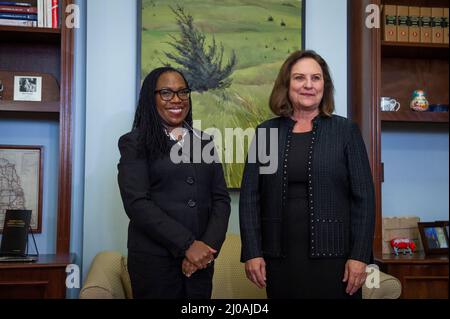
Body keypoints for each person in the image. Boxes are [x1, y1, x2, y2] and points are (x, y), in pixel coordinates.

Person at [239, 50, 375, 299]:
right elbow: (250, 198)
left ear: (325, 85)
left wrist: (359, 256)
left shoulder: (345, 131)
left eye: (316, 78)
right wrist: (252, 251)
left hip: (336, 259)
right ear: (286, 85)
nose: (308, 85)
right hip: (278, 258)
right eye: (300, 78)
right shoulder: (266, 133)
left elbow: (364, 198)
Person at [117, 67, 231, 299]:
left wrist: (205, 249)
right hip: (154, 263)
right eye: (166, 93)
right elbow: (137, 203)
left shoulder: (204, 142)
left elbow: (221, 200)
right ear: (152, 98)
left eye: (183, 92)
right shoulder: (134, 142)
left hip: (201, 263)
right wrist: (188, 245)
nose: (177, 100)